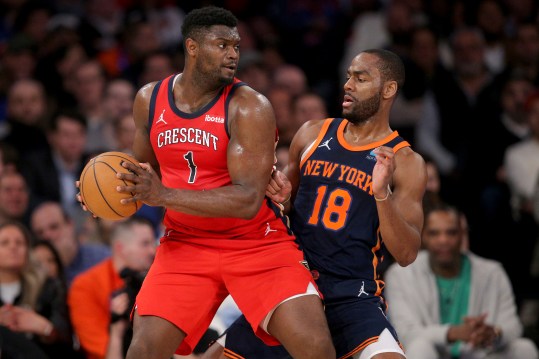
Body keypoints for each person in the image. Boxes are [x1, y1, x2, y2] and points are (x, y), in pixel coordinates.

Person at [109, 6, 335, 359]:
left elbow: (247, 200)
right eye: (222, 45)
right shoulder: (149, 99)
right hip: (184, 245)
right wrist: (102, 191)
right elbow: (141, 174)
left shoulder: (250, 106)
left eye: (236, 46)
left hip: (255, 244)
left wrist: (164, 194)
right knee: (142, 352)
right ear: (192, 47)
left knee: (316, 348)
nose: (233, 54)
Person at [204, 48, 427, 359]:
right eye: (348, 76)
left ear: (388, 90)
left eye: (360, 79)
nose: (348, 85)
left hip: (352, 296)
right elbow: (283, 204)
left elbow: (406, 253)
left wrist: (381, 194)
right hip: (294, 289)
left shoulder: (406, 161)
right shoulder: (312, 133)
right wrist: (281, 199)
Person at [384, 203, 539, 359]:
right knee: (419, 347)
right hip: (432, 354)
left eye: (451, 233)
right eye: (434, 233)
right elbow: (405, 333)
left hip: (480, 354)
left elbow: (513, 326)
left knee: (524, 348)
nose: (443, 240)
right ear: (423, 236)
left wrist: (492, 333)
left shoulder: (492, 273)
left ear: (462, 235)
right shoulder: (401, 274)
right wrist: (453, 333)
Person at [68, 216, 156, 359]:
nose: (153, 251)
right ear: (120, 248)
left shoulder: (155, 279)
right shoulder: (85, 286)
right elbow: (98, 348)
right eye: (145, 244)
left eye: (153, 243)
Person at [0, 220, 81, 358]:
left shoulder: (49, 287)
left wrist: (43, 327)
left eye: (19, 242)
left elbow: (68, 339)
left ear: (28, 251)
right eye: (5, 243)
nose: (13, 247)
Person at [30, 201, 110, 287]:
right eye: (40, 233)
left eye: (54, 227)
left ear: (70, 225)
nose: (47, 236)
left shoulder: (101, 258)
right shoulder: (32, 272)